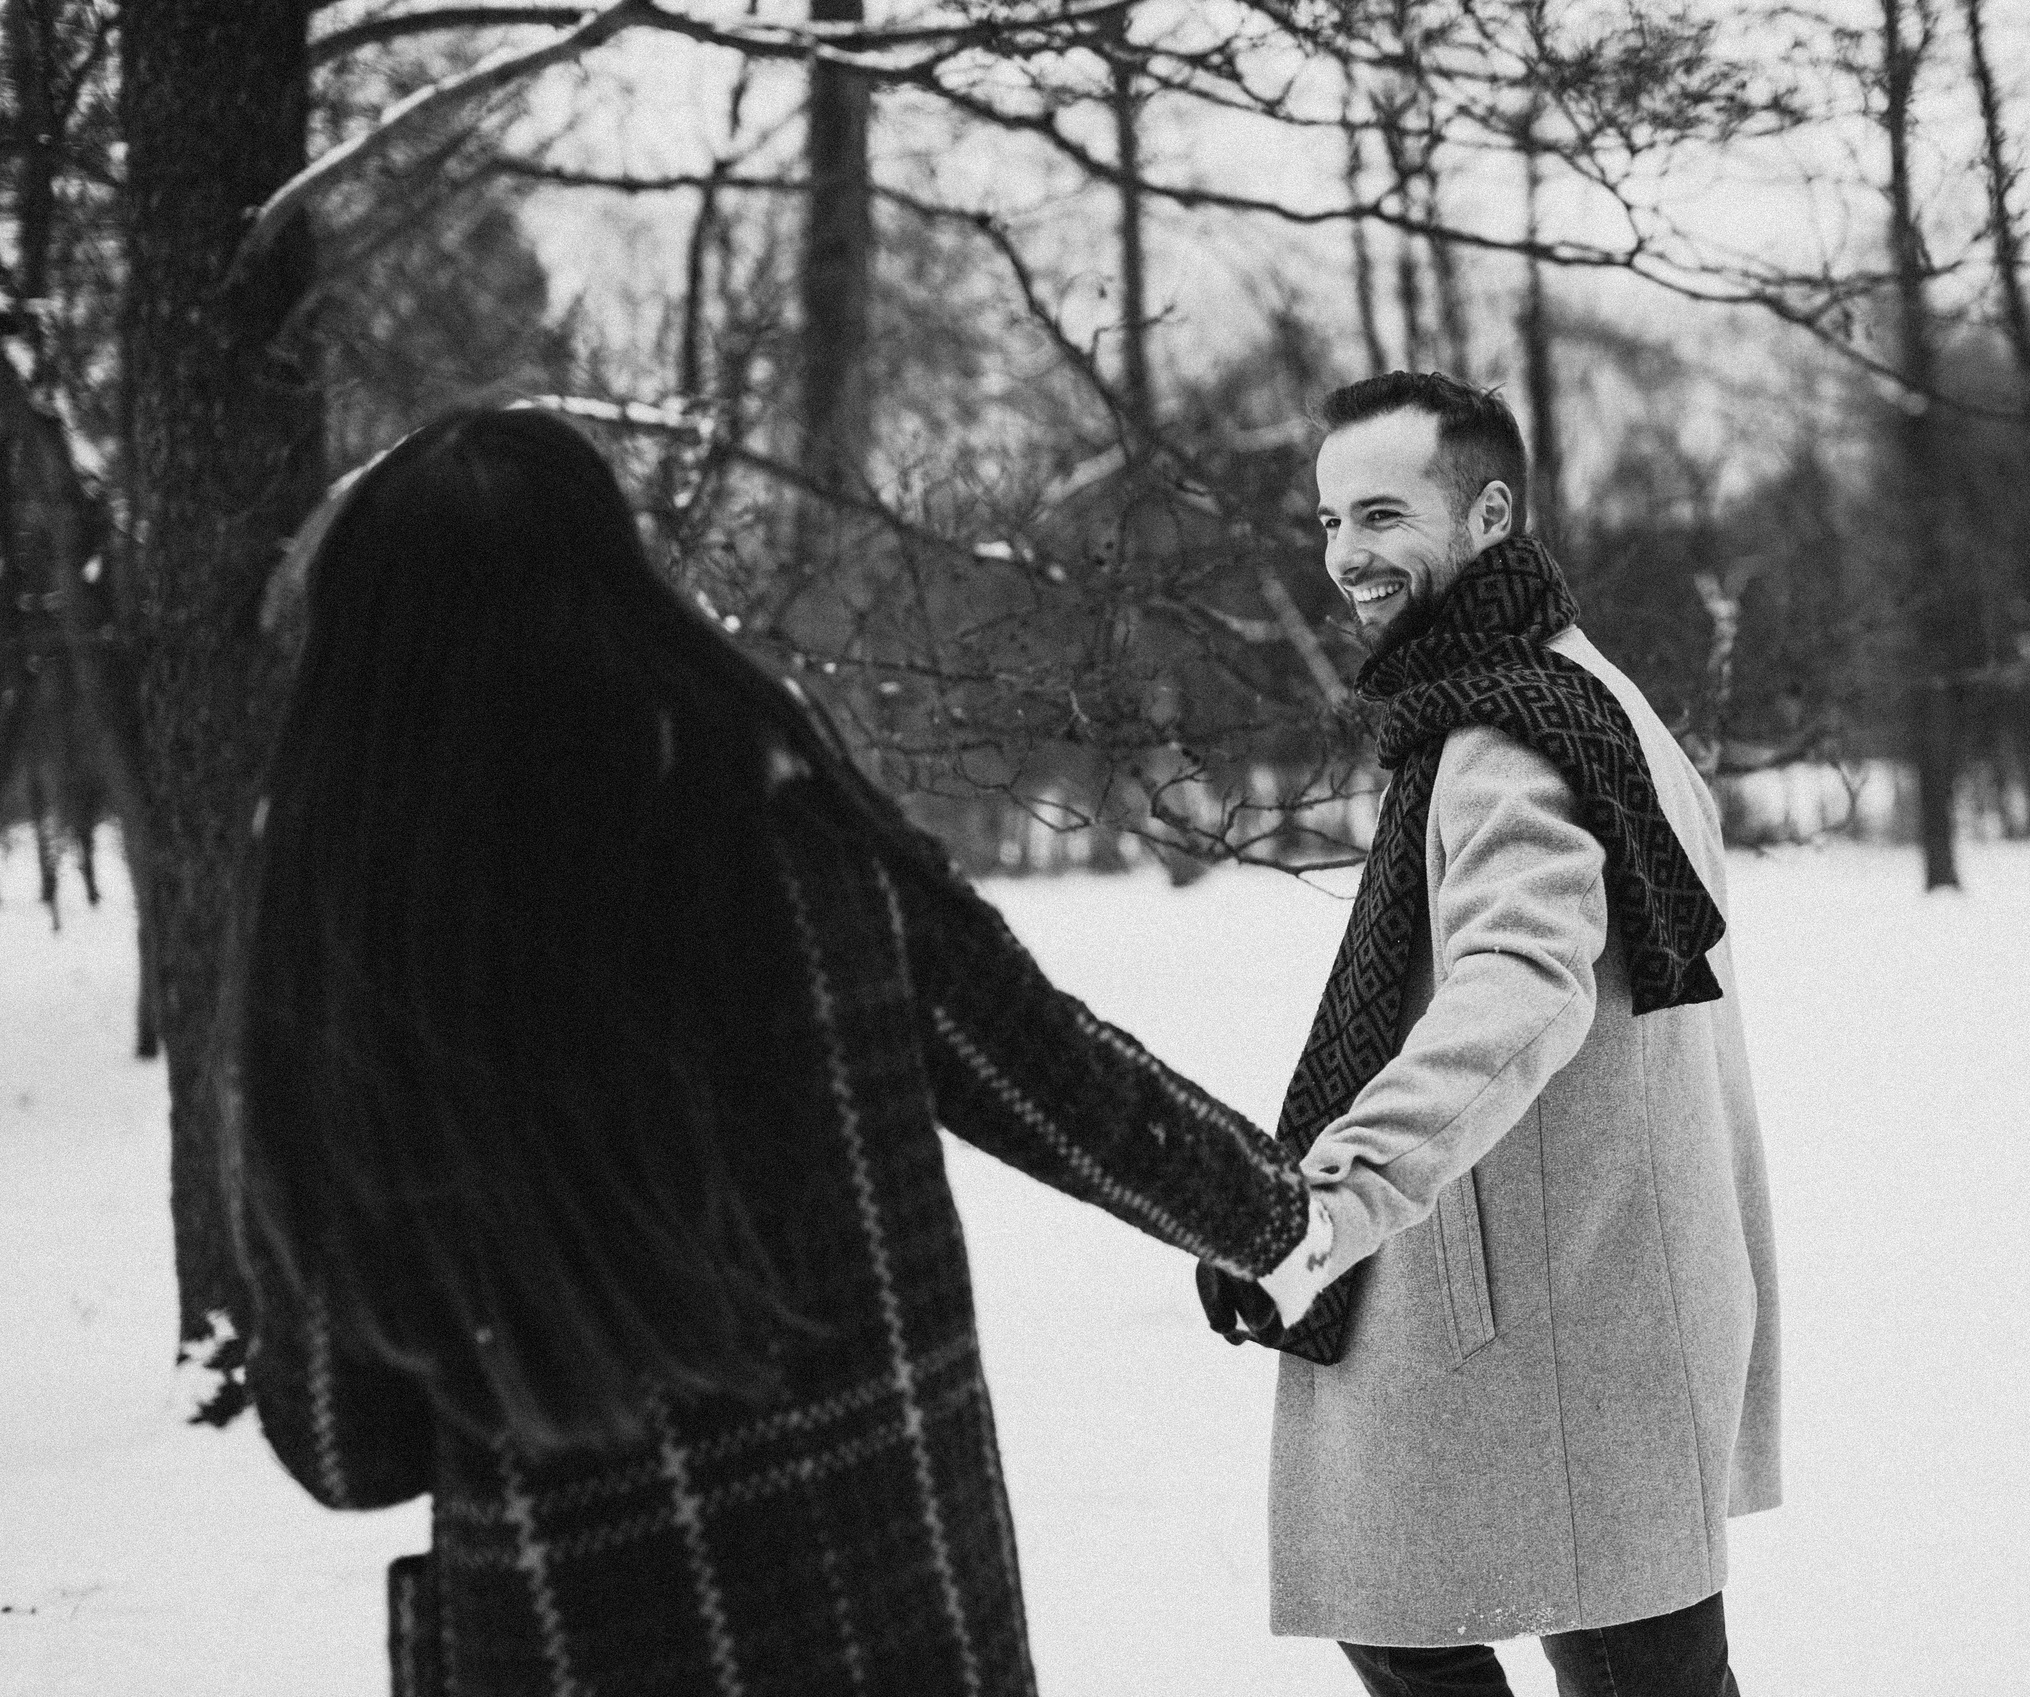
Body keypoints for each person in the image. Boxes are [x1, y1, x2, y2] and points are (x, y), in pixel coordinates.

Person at [222, 407, 1322, 1697]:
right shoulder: (805, 844)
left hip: (576, 1646)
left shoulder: (365, 963)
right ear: (625, 586)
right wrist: (1297, 1223)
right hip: (902, 1615)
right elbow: (1064, 1085)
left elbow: (351, 1457)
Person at [1200, 373, 1782, 1697]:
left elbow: (1520, 981)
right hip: (1598, 1302)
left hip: (1552, 1318)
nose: (1346, 555)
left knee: (1418, 1614)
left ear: (1491, 512)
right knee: (1527, 1637)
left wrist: (1322, 1199)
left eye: (1384, 513)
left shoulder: (1507, 734)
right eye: (1330, 519)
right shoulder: (1576, 691)